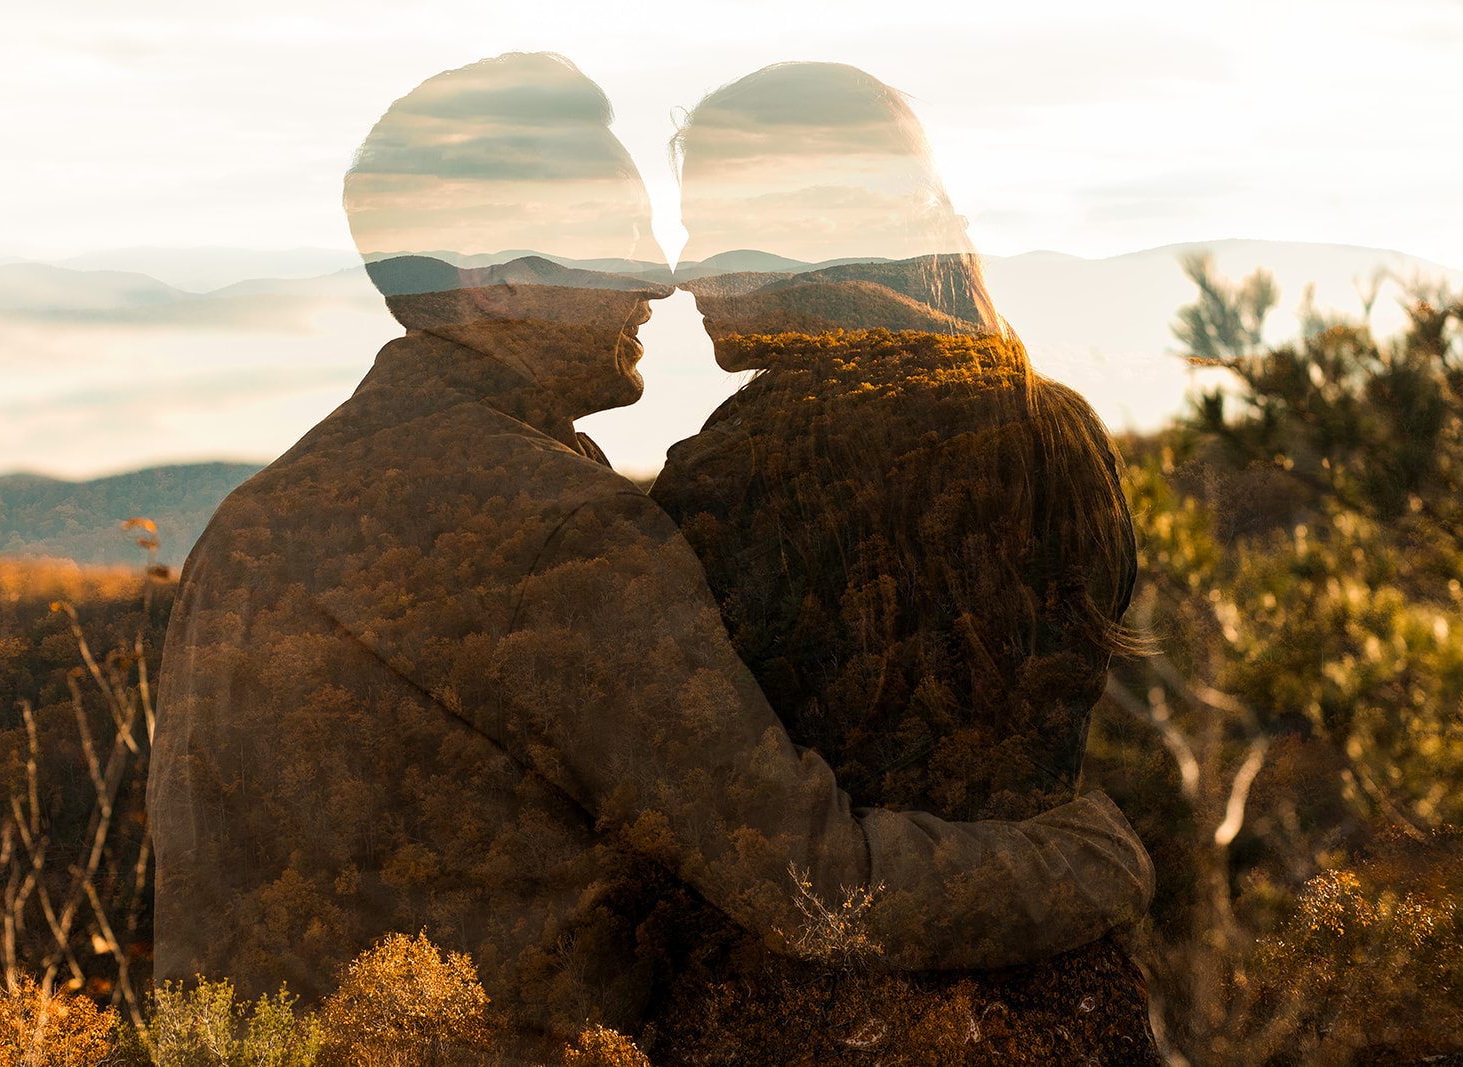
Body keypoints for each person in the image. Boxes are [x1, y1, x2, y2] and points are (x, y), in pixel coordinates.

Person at [147, 52, 1154, 1061]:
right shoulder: (557, 528)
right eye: (617, 237)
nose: (660, 277)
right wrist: (1094, 861)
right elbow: (818, 886)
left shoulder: (250, 526)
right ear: (494, 277)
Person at [650, 62, 1162, 1063]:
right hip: (1064, 1005)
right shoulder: (1058, 434)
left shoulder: (732, 475)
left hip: (813, 1021)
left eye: (714, 228)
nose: (683, 270)